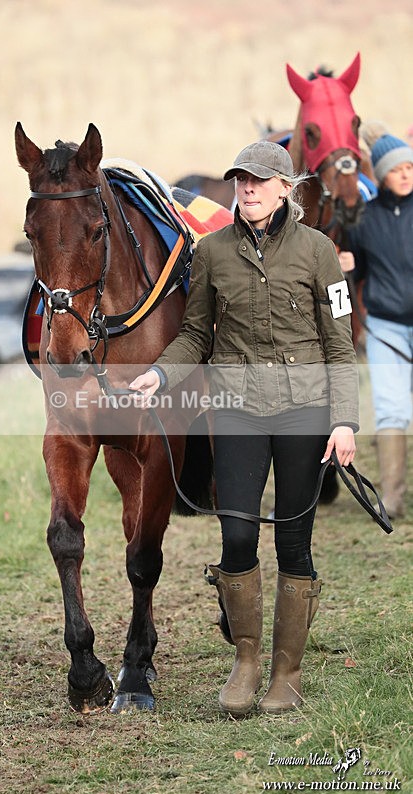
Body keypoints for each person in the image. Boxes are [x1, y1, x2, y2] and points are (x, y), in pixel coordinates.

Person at [130, 141, 359, 716]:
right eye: (240, 180)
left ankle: (287, 671)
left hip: (305, 411)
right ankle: (247, 662)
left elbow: (338, 343)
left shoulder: (319, 252)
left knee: (293, 542)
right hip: (234, 408)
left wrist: (345, 420)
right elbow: (196, 335)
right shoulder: (211, 252)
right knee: (236, 537)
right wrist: (159, 374)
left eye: (258, 180)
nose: (247, 189)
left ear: (286, 188)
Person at [338, 126, 413, 520]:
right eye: (396, 168)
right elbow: (360, 272)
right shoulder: (364, 220)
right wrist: (349, 266)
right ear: (381, 174)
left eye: (409, 167)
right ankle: (394, 499)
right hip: (386, 327)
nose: (405, 174)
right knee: (390, 409)